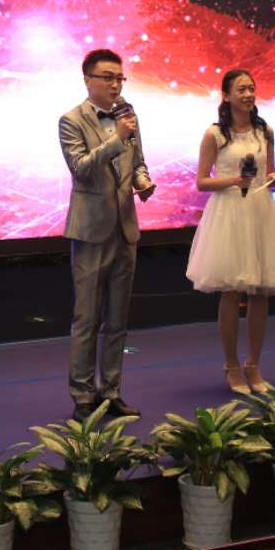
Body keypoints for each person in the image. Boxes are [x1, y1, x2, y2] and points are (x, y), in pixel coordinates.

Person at [186, 68, 275, 394]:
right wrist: (234, 180)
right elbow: (201, 181)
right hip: (229, 213)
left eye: (251, 88)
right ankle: (231, 366)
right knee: (231, 290)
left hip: (260, 211)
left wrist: (274, 178)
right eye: (241, 89)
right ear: (226, 95)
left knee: (261, 291)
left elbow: (269, 173)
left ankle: (254, 365)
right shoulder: (215, 134)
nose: (248, 94)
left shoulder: (265, 130)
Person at [60, 48, 155, 420]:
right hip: (90, 231)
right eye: (108, 77)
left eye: (120, 78)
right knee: (86, 319)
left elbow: (138, 162)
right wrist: (117, 139)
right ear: (88, 80)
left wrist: (143, 181)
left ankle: (111, 391)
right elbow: (80, 168)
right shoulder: (71, 120)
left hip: (125, 229)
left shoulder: (128, 115)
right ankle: (83, 396)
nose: (116, 85)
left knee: (118, 320)